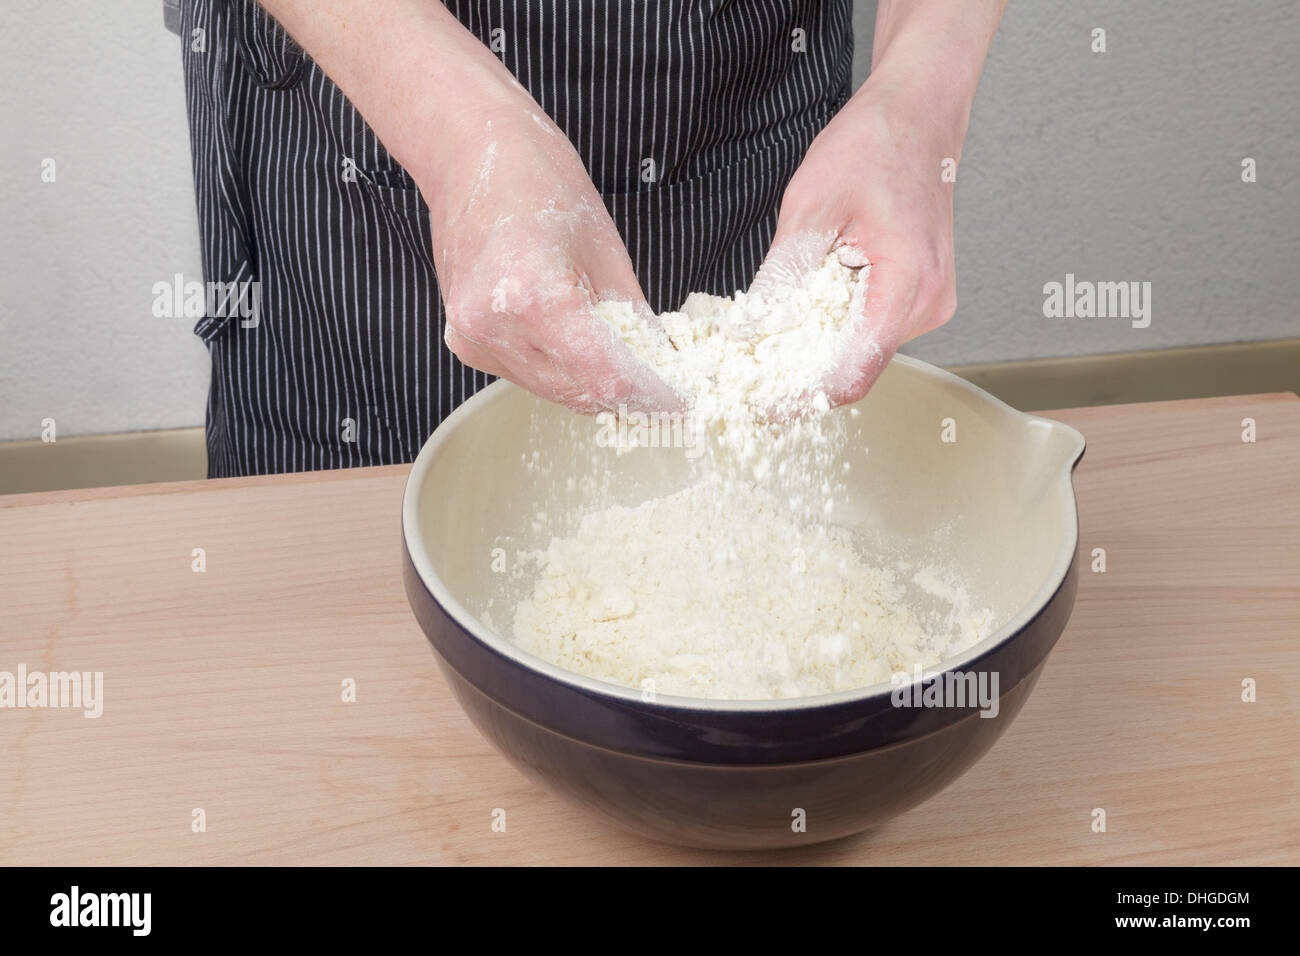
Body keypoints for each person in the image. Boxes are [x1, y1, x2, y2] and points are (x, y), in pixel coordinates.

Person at [172, 0, 1004, 477]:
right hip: (359, 97)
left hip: (744, 80)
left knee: (744, 533)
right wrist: (461, 139)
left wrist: (918, 97)